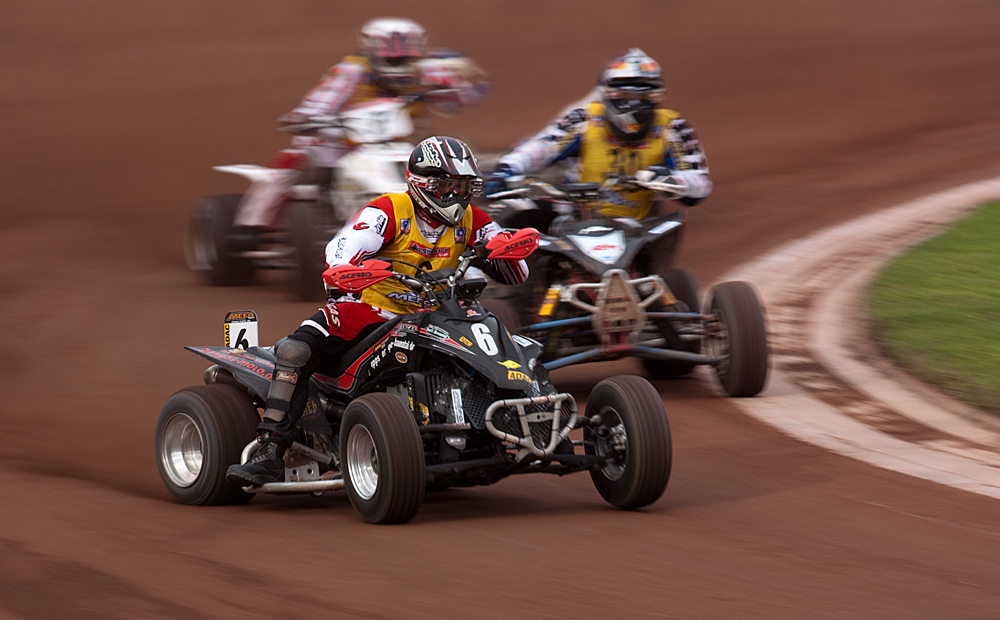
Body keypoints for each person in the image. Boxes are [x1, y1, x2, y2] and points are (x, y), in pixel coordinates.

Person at [226, 136, 528, 487]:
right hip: (369, 309)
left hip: (438, 316)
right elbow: (341, 247)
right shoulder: (389, 210)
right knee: (295, 350)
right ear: (421, 184)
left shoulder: (472, 219)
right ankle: (270, 449)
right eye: (446, 185)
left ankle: (518, 426)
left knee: (502, 343)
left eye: (463, 187)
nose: (456, 196)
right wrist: (348, 268)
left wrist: (502, 250)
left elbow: (517, 272)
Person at [231, 17, 488, 245]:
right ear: (372, 53)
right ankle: (252, 224)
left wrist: (460, 86)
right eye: (392, 59)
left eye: (405, 59)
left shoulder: (428, 70)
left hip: (399, 143)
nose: (398, 65)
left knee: (454, 162)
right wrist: (306, 117)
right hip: (342, 142)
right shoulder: (351, 71)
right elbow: (320, 101)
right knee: (293, 159)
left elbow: (462, 95)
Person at [486, 48, 711, 232]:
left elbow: (699, 184)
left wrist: (671, 180)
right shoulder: (585, 119)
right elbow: (542, 147)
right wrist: (508, 168)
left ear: (657, 95)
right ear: (607, 94)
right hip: (574, 217)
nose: (633, 103)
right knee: (512, 211)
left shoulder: (671, 127)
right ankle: (508, 280)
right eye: (624, 95)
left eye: (642, 95)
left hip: (636, 228)